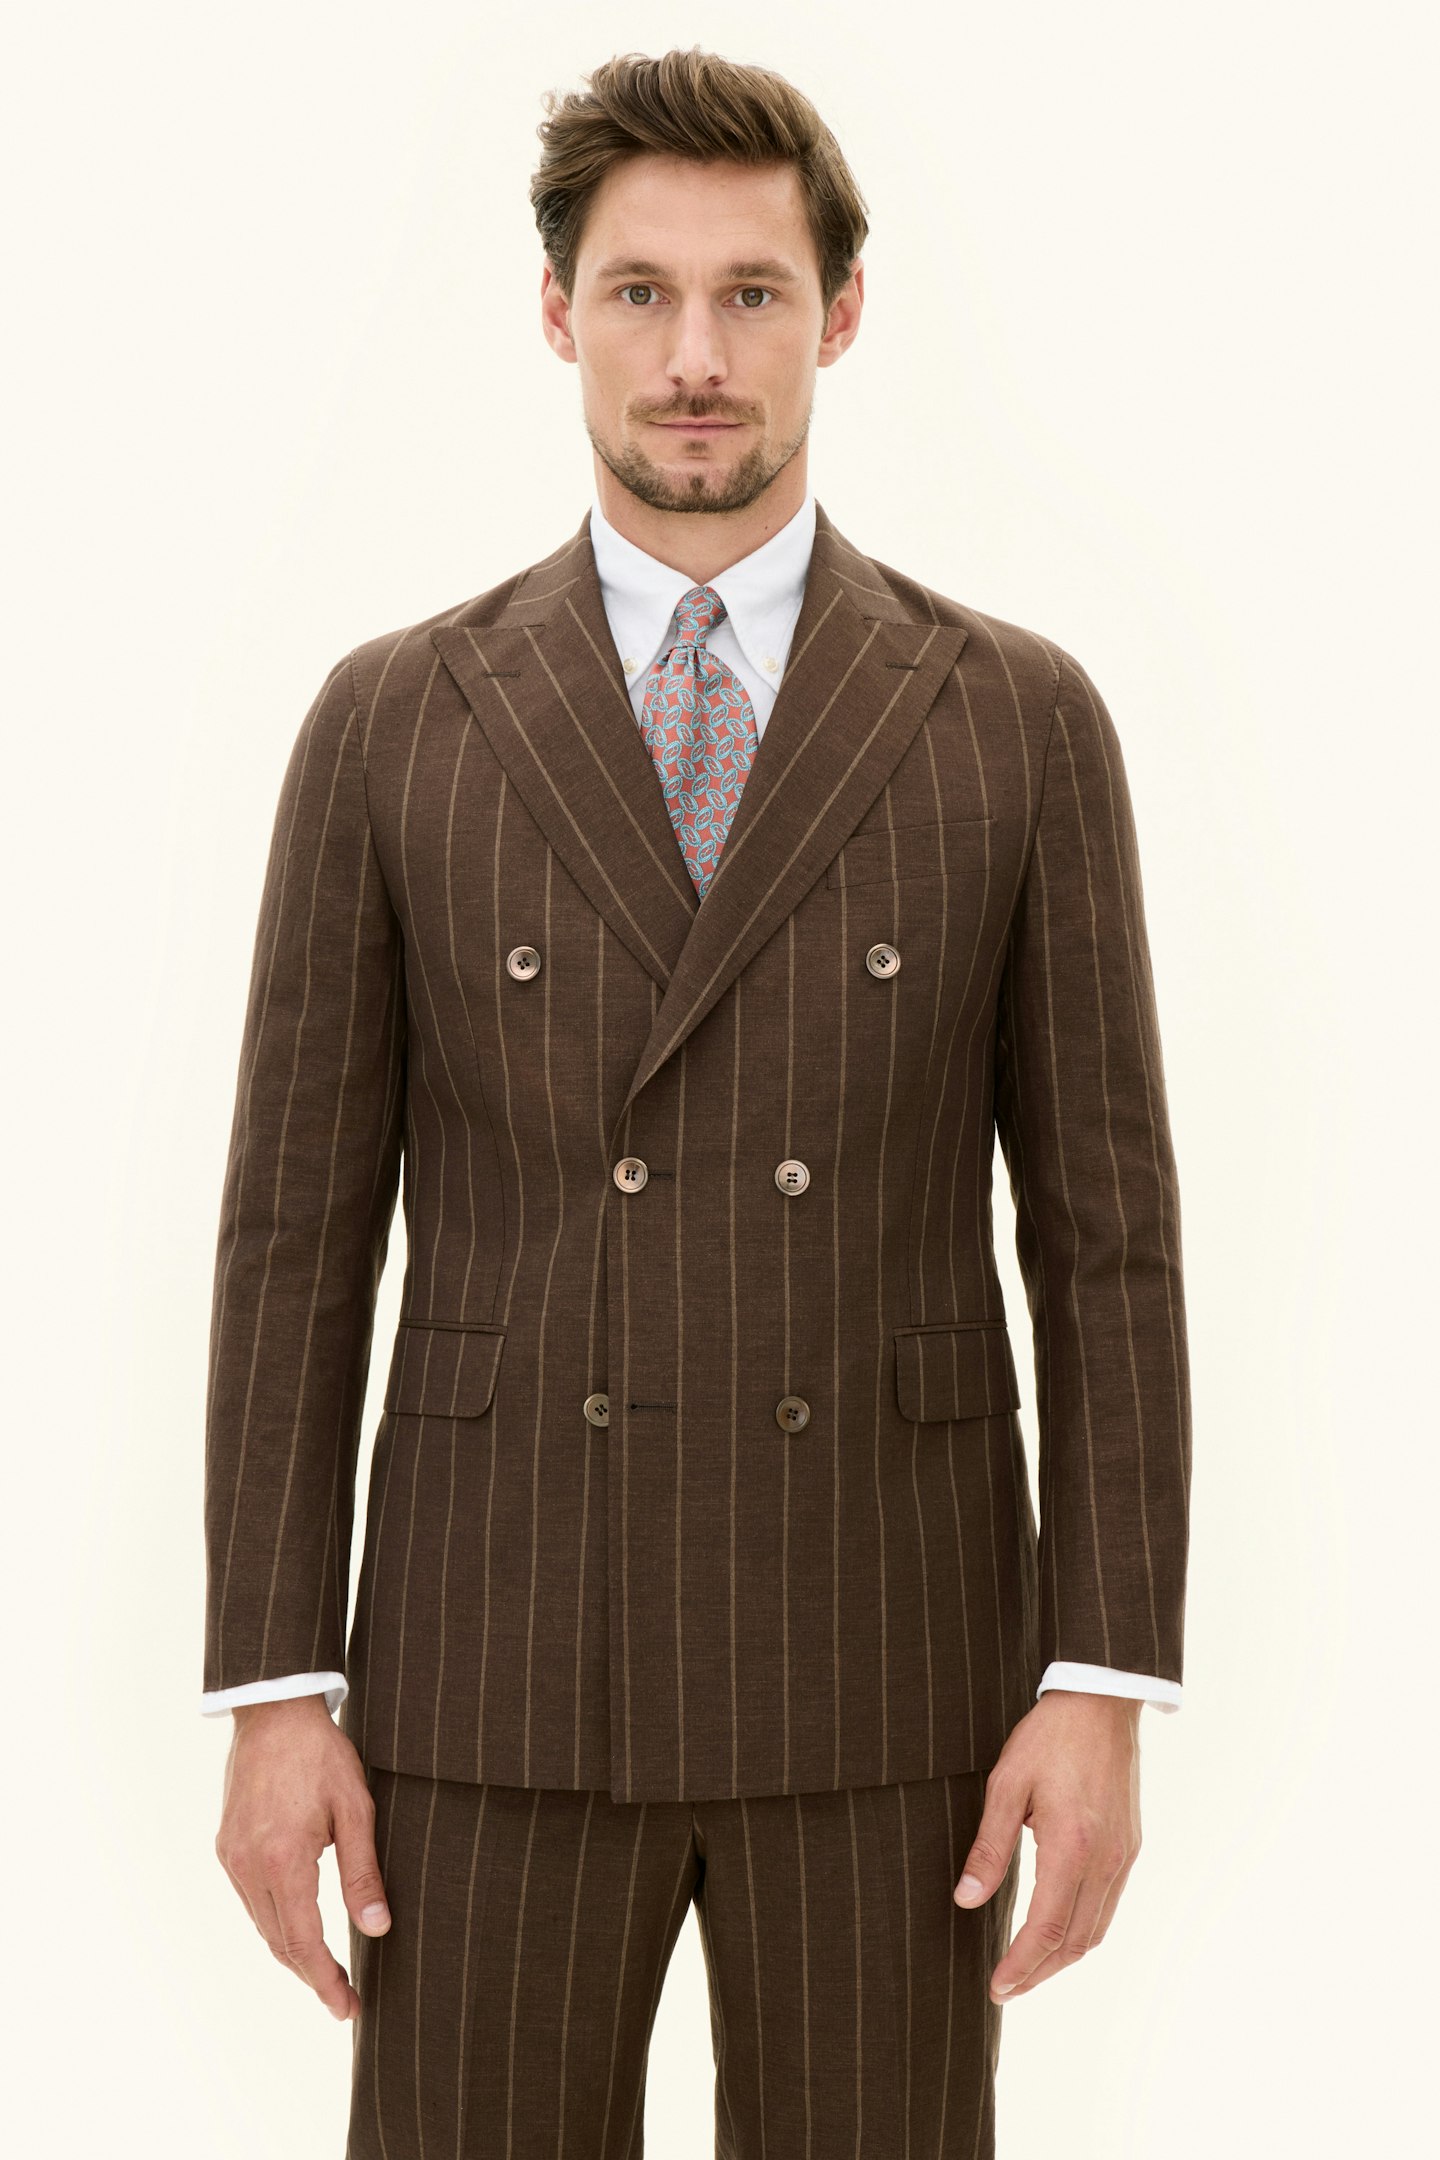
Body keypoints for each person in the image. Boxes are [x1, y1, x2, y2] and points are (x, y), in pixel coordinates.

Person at [201, 45, 1192, 2159]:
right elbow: (294, 1238)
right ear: (556, 314)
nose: (695, 358)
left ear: (844, 312)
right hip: (491, 1654)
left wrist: (1103, 1679)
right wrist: (274, 1690)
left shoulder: (1015, 722)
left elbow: (1108, 1240)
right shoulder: (395, 721)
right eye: (639, 292)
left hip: (890, 1664)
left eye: (752, 293)